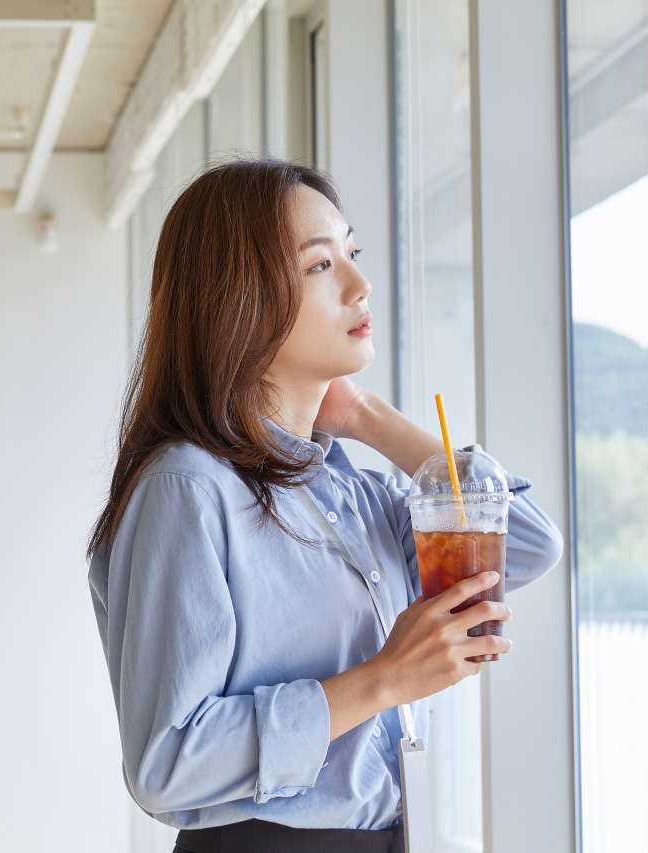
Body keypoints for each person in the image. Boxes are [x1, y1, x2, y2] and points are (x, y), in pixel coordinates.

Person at [87, 160, 564, 852]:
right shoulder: (187, 488)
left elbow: (525, 542)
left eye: (352, 252)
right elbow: (167, 763)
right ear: (239, 299)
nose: (359, 284)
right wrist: (381, 680)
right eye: (319, 264)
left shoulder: (356, 495)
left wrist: (371, 417)